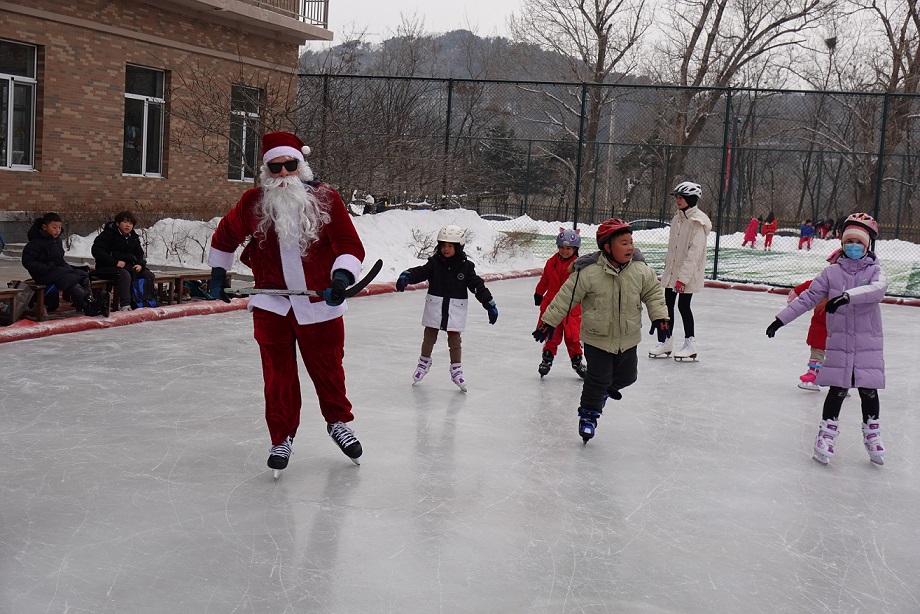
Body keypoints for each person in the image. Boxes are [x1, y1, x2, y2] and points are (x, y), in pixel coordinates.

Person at [208, 131, 366, 475]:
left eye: (289, 165)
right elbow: (224, 237)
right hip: (271, 305)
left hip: (319, 303)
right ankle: (281, 436)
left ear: (301, 165)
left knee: (328, 368)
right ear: (266, 170)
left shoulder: (326, 198)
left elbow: (348, 244)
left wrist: (341, 278)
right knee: (278, 377)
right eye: (275, 167)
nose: (283, 174)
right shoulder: (253, 203)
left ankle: (338, 421)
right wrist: (218, 274)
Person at [766, 213, 887, 466]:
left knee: (868, 390)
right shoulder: (831, 273)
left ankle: (872, 436)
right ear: (842, 244)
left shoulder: (875, 271)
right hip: (839, 342)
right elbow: (807, 298)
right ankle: (826, 436)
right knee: (837, 389)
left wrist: (846, 297)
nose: (854, 247)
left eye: (859, 243)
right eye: (849, 242)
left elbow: (877, 290)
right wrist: (781, 319)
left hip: (868, 343)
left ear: (867, 246)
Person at [533, 218, 668, 443]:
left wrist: (660, 316)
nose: (630, 247)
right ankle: (588, 416)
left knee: (628, 376)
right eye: (623, 243)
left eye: (631, 242)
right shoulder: (589, 272)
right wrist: (549, 321)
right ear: (607, 247)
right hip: (597, 338)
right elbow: (566, 297)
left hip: (628, 337)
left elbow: (653, 293)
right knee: (597, 378)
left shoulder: (640, 270)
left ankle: (603, 394)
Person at [395, 225, 498, 392]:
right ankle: (424, 362)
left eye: (450, 246)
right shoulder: (434, 263)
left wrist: (489, 303)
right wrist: (407, 275)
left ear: (458, 247)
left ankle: (456, 368)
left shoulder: (466, 267)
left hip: (454, 308)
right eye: (443, 245)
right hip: (435, 306)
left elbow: (477, 286)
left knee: (454, 339)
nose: (446, 249)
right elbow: (421, 272)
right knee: (429, 335)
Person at [649, 181, 712, 361]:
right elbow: (673, 249)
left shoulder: (697, 222)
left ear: (691, 199)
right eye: (676, 197)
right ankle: (667, 341)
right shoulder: (677, 218)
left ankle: (690, 344)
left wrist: (682, 279)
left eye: (680, 197)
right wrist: (669, 271)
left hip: (687, 276)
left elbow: (694, 254)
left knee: (683, 306)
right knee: (667, 307)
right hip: (672, 273)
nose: (677, 200)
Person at [21, 212, 109, 317]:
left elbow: (59, 260)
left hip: (57, 271)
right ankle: (91, 304)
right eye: (54, 227)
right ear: (44, 227)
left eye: (59, 227)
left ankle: (87, 304)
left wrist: (71, 268)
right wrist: (46, 267)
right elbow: (28, 262)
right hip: (44, 274)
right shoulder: (35, 243)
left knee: (83, 275)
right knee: (70, 281)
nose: (57, 230)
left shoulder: (56, 241)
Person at [534, 228, 586, 378]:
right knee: (551, 335)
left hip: (572, 308)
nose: (564, 251)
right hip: (552, 306)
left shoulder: (579, 265)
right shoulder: (551, 262)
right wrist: (539, 292)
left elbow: (586, 285)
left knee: (573, 338)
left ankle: (577, 362)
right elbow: (545, 279)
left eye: (568, 248)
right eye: (561, 247)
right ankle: (546, 360)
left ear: (575, 249)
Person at [91, 210, 157, 311]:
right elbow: (97, 251)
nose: (128, 226)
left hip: (128, 266)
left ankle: (146, 300)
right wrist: (115, 262)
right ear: (117, 223)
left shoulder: (133, 237)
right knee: (125, 275)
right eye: (125, 222)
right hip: (107, 267)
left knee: (148, 275)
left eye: (130, 223)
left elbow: (140, 253)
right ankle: (125, 304)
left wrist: (140, 264)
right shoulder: (108, 235)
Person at [786, 279, 828, 391]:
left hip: (840, 327)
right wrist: (795, 292)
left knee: (839, 356)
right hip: (820, 327)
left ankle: (841, 382)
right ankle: (813, 374)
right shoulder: (827, 277)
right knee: (817, 350)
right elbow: (811, 284)